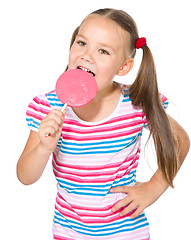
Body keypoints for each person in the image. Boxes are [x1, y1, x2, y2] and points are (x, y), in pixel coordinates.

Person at [17, 8, 190, 240]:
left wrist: (154, 187)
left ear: (123, 67)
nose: (86, 55)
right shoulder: (48, 106)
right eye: (81, 43)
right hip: (69, 232)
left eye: (102, 51)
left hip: (127, 233)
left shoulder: (136, 103)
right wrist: (43, 148)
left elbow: (180, 141)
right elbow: (25, 176)